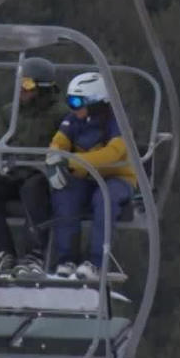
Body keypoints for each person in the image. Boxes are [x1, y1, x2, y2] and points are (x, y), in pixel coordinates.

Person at [0, 56, 66, 277]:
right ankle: (4, 252)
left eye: (26, 85)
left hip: (41, 174)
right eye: (19, 84)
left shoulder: (60, 114)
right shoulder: (9, 112)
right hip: (14, 172)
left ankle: (33, 253)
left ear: (43, 87)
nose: (21, 91)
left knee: (33, 189)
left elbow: (64, 146)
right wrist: (2, 162)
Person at [46, 71, 137, 281]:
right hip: (86, 177)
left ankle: (96, 262)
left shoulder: (116, 120)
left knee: (104, 199)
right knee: (65, 195)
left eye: (77, 101)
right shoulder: (74, 119)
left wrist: (72, 161)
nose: (73, 107)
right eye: (70, 102)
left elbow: (114, 152)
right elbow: (59, 141)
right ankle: (67, 259)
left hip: (118, 177)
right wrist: (54, 158)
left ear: (96, 101)